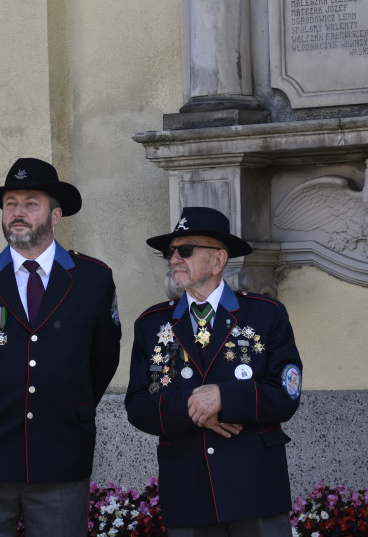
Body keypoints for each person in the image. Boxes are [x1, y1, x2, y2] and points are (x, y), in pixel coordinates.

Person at [0, 157, 121, 536]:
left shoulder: (92, 279)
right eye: (10, 204)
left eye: (30, 203)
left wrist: (67, 405)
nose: (17, 213)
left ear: (55, 215)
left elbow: (102, 362)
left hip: (60, 454)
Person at [125, 207, 303, 537]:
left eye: (186, 250)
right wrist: (192, 407)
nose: (175, 258)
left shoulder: (266, 315)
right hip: (188, 490)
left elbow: (286, 394)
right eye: (171, 251)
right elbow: (137, 405)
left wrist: (223, 397)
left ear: (218, 260)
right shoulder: (152, 324)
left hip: (254, 488)